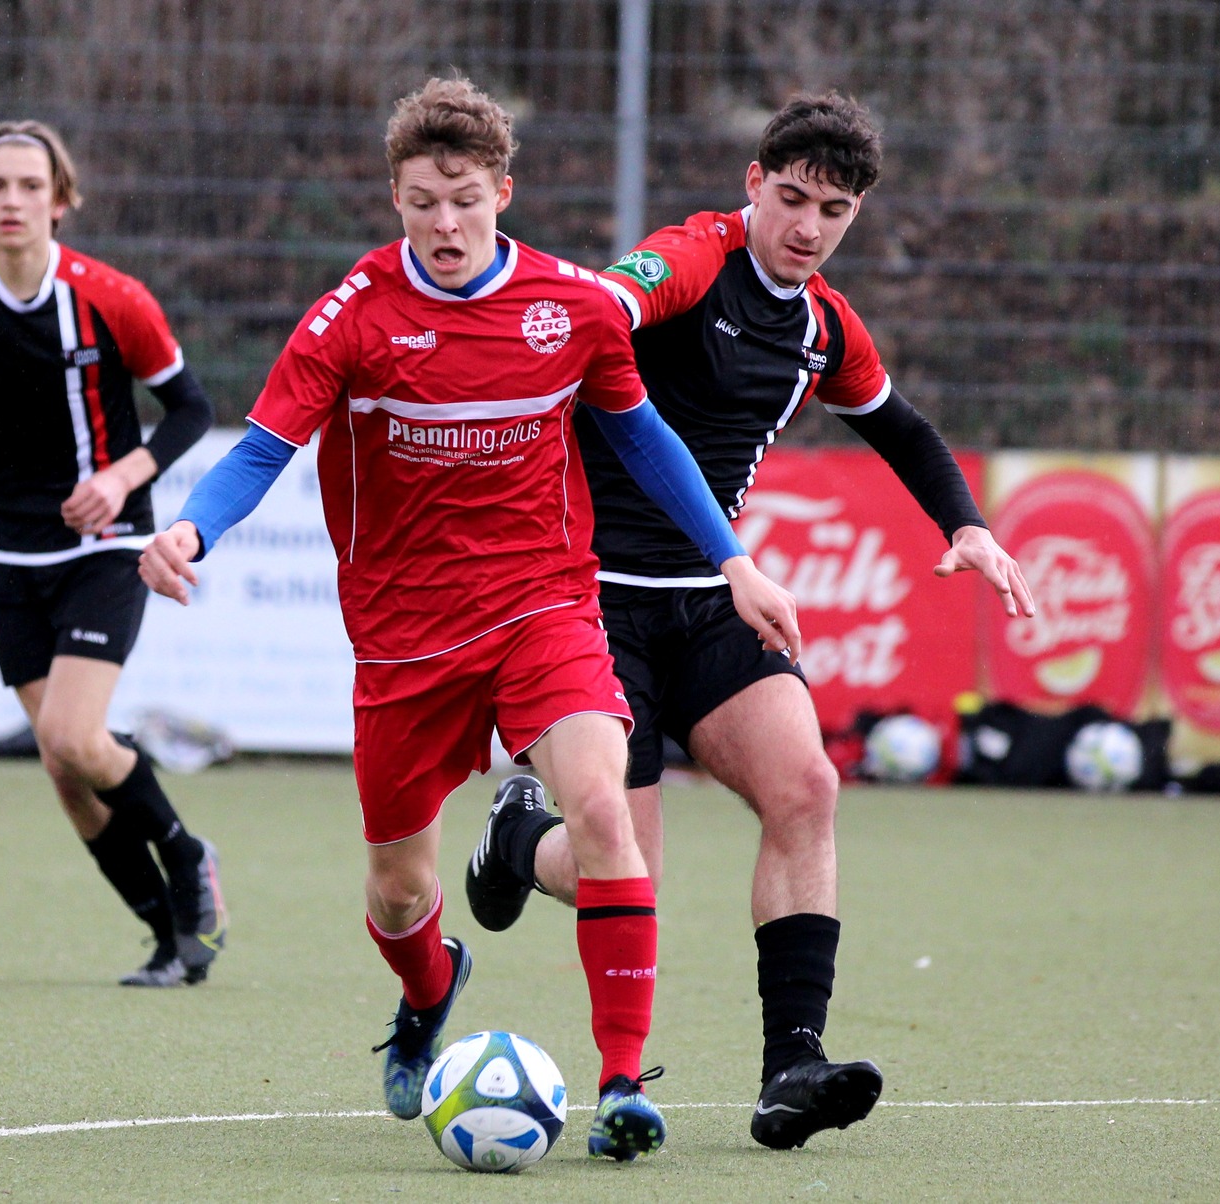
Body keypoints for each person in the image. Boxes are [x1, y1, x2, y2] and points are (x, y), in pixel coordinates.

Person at [138, 78, 800, 1161]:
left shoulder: (572, 307)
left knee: (604, 810)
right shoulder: (353, 316)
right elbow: (262, 448)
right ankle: (427, 990)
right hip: (403, 638)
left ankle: (621, 1082)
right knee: (401, 892)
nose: (443, 225)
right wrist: (190, 531)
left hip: (545, 604)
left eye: (462, 200)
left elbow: (641, 437)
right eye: (420, 203)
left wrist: (733, 561)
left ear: (503, 191)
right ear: (393, 200)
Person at [464, 93, 1036, 1149]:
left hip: (710, 597)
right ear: (753, 183)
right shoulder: (693, 258)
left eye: (834, 210)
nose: (808, 227)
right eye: (793, 199)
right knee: (623, 870)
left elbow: (901, 428)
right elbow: (610, 302)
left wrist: (967, 526)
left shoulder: (823, 326)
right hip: (588, 599)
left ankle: (790, 1070)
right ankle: (517, 840)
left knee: (806, 786)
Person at [0, 120, 226, 989]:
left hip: (108, 544)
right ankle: (168, 939)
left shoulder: (113, 299)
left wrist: (123, 475)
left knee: (69, 736)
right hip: (9, 553)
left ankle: (186, 855)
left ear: (61, 201)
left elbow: (191, 409)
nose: (13, 201)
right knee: (66, 769)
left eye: (31, 186)